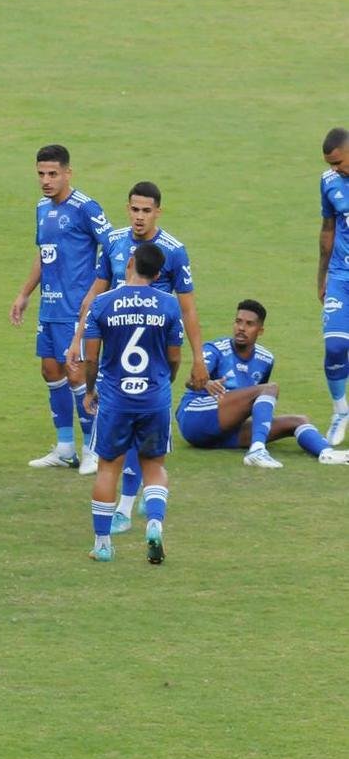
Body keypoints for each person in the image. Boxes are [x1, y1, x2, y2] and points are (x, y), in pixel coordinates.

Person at [68, 181, 207, 532]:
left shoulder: (174, 251)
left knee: (124, 434)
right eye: (134, 209)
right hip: (116, 344)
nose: (139, 217)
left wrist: (199, 358)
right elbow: (94, 294)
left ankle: (124, 508)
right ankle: (135, 503)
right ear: (127, 208)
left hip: (154, 350)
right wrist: (77, 339)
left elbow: (188, 310)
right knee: (135, 432)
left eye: (146, 211)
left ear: (158, 211)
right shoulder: (114, 242)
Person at [9, 145, 113, 474]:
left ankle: (93, 450)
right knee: (50, 372)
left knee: (77, 373)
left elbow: (112, 249)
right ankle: (66, 448)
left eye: (53, 174)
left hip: (77, 309)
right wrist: (25, 293)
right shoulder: (42, 208)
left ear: (68, 173)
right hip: (51, 307)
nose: (46, 180)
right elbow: (45, 253)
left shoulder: (86, 208)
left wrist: (97, 294)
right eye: (41, 174)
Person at [81, 243, 181, 564]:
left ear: (130, 263)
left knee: (108, 467)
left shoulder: (103, 304)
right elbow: (175, 357)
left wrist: (90, 390)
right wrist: (164, 379)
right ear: (157, 273)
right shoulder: (168, 305)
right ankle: (153, 523)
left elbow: (92, 357)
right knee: (154, 466)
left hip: (116, 398)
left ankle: (103, 544)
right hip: (154, 397)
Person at [176, 300, 349, 466]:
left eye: (249, 324)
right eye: (238, 322)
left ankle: (326, 453)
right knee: (270, 388)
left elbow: (257, 403)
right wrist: (206, 383)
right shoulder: (215, 349)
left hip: (224, 431)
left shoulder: (266, 359)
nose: (241, 328)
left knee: (298, 421)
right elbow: (191, 382)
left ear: (260, 330)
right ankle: (257, 451)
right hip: (195, 417)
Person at [317, 127, 349, 444]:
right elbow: (327, 230)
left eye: (338, 162)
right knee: (336, 347)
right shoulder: (328, 182)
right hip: (341, 276)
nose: (334, 168)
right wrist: (321, 276)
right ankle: (341, 411)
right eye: (330, 163)